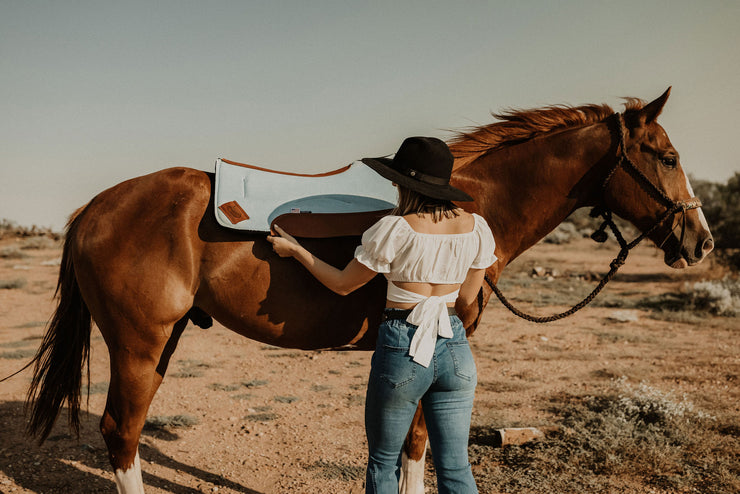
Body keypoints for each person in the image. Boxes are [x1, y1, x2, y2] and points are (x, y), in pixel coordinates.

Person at [267, 136, 496, 493]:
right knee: (455, 466)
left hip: (405, 345)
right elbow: (467, 297)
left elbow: (344, 284)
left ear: (403, 184)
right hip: (455, 346)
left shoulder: (396, 228)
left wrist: (296, 251)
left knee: (383, 462)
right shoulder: (477, 227)